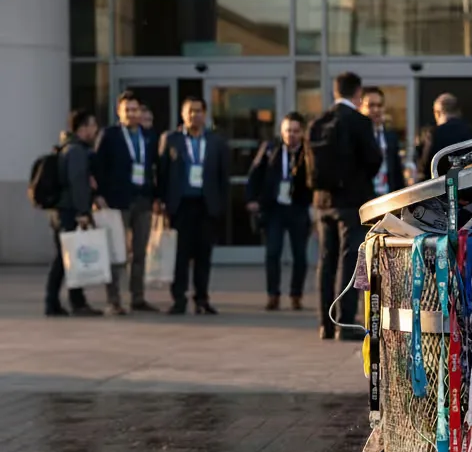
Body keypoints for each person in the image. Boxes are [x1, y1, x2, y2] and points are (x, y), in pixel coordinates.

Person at [312, 71, 381, 341]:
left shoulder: (318, 121)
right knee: (348, 260)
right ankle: (344, 322)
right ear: (358, 93)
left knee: (325, 260)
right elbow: (373, 159)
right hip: (351, 202)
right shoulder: (359, 122)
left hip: (323, 201)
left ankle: (324, 324)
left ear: (335, 91)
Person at [157, 96, 230, 316]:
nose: (194, 115)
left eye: (198, 111)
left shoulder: (216, 141)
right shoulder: (171, 139)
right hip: (181, 206)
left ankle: (202, 299)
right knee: (180, 256)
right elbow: (162, 173)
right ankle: (178, 299)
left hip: (206, 205)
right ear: (182, 114)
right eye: (189, 111)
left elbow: (223, 176)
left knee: (203, 255)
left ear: (204, 115)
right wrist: (161, 200)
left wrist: (221, 205)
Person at [92, 90, 159, 315]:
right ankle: (114, 300)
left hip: (143, 199)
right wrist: (98, 195)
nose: (131, 114)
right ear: (119, 112)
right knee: (116, 253)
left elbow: (155, 168)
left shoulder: (149, 136)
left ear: (141, 112)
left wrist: (156, 197)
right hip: (116, 201)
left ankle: (138, 298)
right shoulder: (109, 135)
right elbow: (97, 166)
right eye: (127, 110)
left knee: (139, 252)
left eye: (135, 109)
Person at [246, 111, 311, 312]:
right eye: (287, 131)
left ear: (302, 132)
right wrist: (252, 199)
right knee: (272, 252)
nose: (291, 135)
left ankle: (296, 295)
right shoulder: (270, 149)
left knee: (300, 255)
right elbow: (255, 173)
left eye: (295, 131)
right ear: (281, 132)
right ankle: (272, 295)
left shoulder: (308, 152)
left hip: (298, 207)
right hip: (274, 208)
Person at [45, 109, 102, 317]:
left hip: (61, 211)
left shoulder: (66, 148)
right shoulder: (76, 151)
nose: (95, 130)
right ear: (83, 128)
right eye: (93, 125)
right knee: (67, 258)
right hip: (69, 211)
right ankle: (65, 302)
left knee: (66, 258)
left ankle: (61, 302)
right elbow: (77, 183)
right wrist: (82, 212)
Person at [361, 87, 405, 195]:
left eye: (379, 105)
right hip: (365, 197)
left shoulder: (390, 136)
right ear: (361, 107)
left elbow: (397, 172)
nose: (376, 110)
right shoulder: (356, 136)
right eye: (371, 105)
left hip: (387, 196)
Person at [422, 93, 472, 178]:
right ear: (458, 110)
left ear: (437, 113)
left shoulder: (435, 133)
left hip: (442, 183)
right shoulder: (471, 130)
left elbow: (427, 167)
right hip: (469, 181)